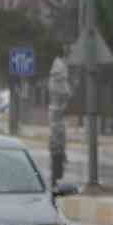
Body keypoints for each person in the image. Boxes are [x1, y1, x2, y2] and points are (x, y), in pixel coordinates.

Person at [47, 57, 71, 188]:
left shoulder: (55, 82)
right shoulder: (58, 84)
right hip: (56, 138)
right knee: (56, 159)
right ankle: (55, 179)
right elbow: (66, 93)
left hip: (56, 137)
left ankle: (55, 178)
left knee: (56, 159)